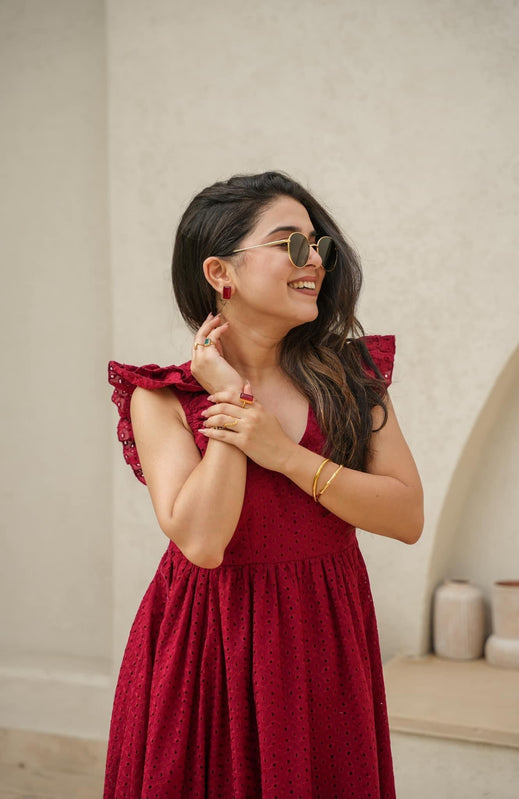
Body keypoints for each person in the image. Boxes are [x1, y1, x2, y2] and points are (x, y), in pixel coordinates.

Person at [104, 171, 423, 798]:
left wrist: (283, 455)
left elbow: (405, 516)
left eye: (318, 245)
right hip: (207, 644)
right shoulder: (163, 398)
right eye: (290, 244)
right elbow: (202, 542)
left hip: (323, 636)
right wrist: (230, 402)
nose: (315, 263)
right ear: (220, 273)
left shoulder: (352, 378)